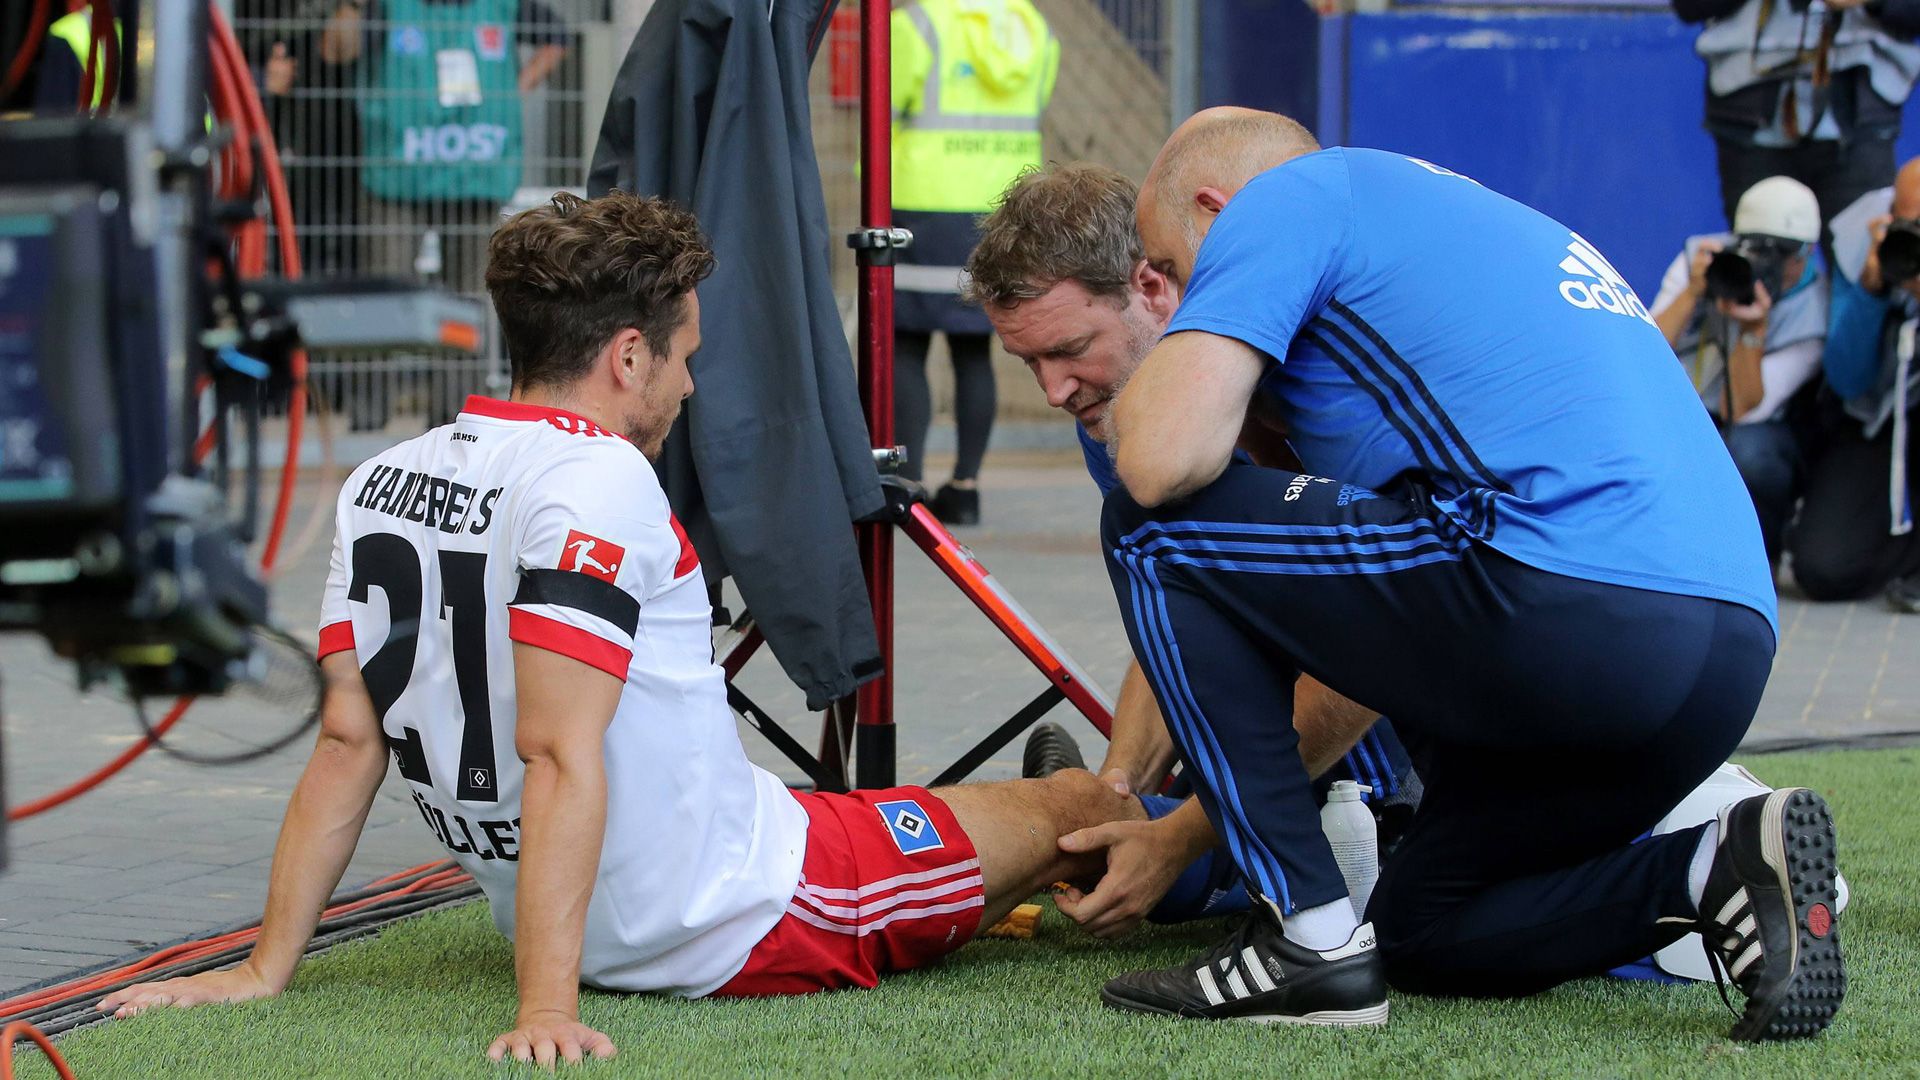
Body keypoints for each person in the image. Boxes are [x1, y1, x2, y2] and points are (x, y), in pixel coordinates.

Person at [96, 192, 1149, 1067]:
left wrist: (263, 967)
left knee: (940, 811)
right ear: (629, 355)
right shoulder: (600, 476)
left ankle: (1133, 842)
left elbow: (346, 740)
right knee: (1071, 803)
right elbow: (557, 751)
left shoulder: (382, 475)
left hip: (601, 898)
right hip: (756, 912)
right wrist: (545, 1010)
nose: (691, 384)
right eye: (686, 355)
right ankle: (1189, 853)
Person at [1095, 108, 1845, 1039]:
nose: (1170, 303)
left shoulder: (1288, 197)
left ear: (1215, 209)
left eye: (1167, 274)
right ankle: (1716, 863)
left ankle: (1310, 940)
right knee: (1425, 929)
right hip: (1726, 649)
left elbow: (1161, 463)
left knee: (1150, 527)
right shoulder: (1472, 223)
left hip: (1562, 592)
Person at [967, 161, 1419, 937]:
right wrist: (1112, 791)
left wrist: (1177, 837)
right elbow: (1178, 625)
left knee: (1392, 889)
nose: (1053, 390)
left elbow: (1380, 655)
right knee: (1119, 835)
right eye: (1028, 362)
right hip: (1300, 727)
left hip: (1421, 710)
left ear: (1153, 290)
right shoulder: (1117, 412)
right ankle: (1113, 817)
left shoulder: (1312, 382)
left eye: (1070, 348)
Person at [890, 0, 1058, 525]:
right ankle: (965, 488)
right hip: (1001, 208)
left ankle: (907, 486)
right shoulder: (1032, 29)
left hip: (922, 200)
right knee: (973, 347)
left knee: (905, 342)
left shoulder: (916, 24)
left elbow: (885, 108)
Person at [1650, 176, 1829, 565]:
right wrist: (1693, 292)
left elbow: (1740, 411)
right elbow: (1642, 355)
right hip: (1682, 407)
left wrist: (1752, 332)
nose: (1767, 265)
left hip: (1757, 431)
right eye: (1754, 247)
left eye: (1781, 253)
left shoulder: (1815, 310)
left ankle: (1754, 563)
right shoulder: (1700, 258)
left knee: (1747, 453)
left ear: (1807, 253)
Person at [1675, 0, 1920, 238]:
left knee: (1868, 262)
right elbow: (1689, 6)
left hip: (1860, 116)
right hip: (1750, 118)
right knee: (1760, 260)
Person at [1797, 156, 1920, 607]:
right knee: (1822, 569)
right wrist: (1871, 293)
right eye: (1907, 221)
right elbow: (1848, 380)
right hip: (1877, 423)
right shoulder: (1868, 244)